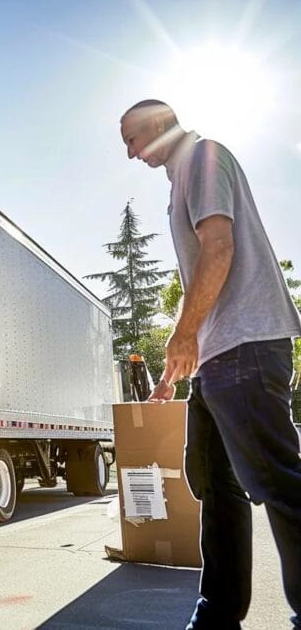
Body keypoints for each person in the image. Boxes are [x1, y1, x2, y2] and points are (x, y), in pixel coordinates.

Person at [120, 99, 301, 630]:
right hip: (218, 359)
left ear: (157, 126)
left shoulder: (202, 158)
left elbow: (217, 250)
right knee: (213, 482)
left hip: (246, 347)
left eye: (131, 138)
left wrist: (183, 333)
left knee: (277, 482)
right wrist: (179, 365)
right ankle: (218, 613)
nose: (131, 153)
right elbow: (203, 274)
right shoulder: (183, 177)